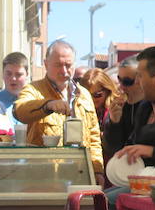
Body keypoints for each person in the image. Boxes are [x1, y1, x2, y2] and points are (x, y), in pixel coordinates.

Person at [13, 40, 104, 184]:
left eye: (68, 65)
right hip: (43, 178)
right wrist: (47, 105)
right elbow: (20, 111)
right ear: (46, 64)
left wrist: (97, 170)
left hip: (80, 175)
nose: (64, 70)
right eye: (58, 65)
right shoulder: (33, 90)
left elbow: (94, 136)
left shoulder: (84, 94)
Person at [102, 56, 146, 157]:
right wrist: (114, 122)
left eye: (127, 81)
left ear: (142, 80)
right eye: (119, 79)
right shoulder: (121, 107)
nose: (121, 86)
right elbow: (112, 149)